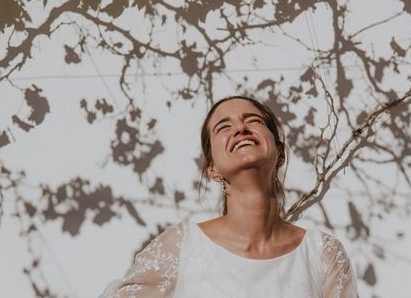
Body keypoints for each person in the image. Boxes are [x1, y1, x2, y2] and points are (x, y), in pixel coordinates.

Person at [99, 96, 358, 298]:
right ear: (212, 168)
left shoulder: (324, 253)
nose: (241, 128)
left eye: (254, 121)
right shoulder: (180, 246)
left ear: (280, 152)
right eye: (224, 127)